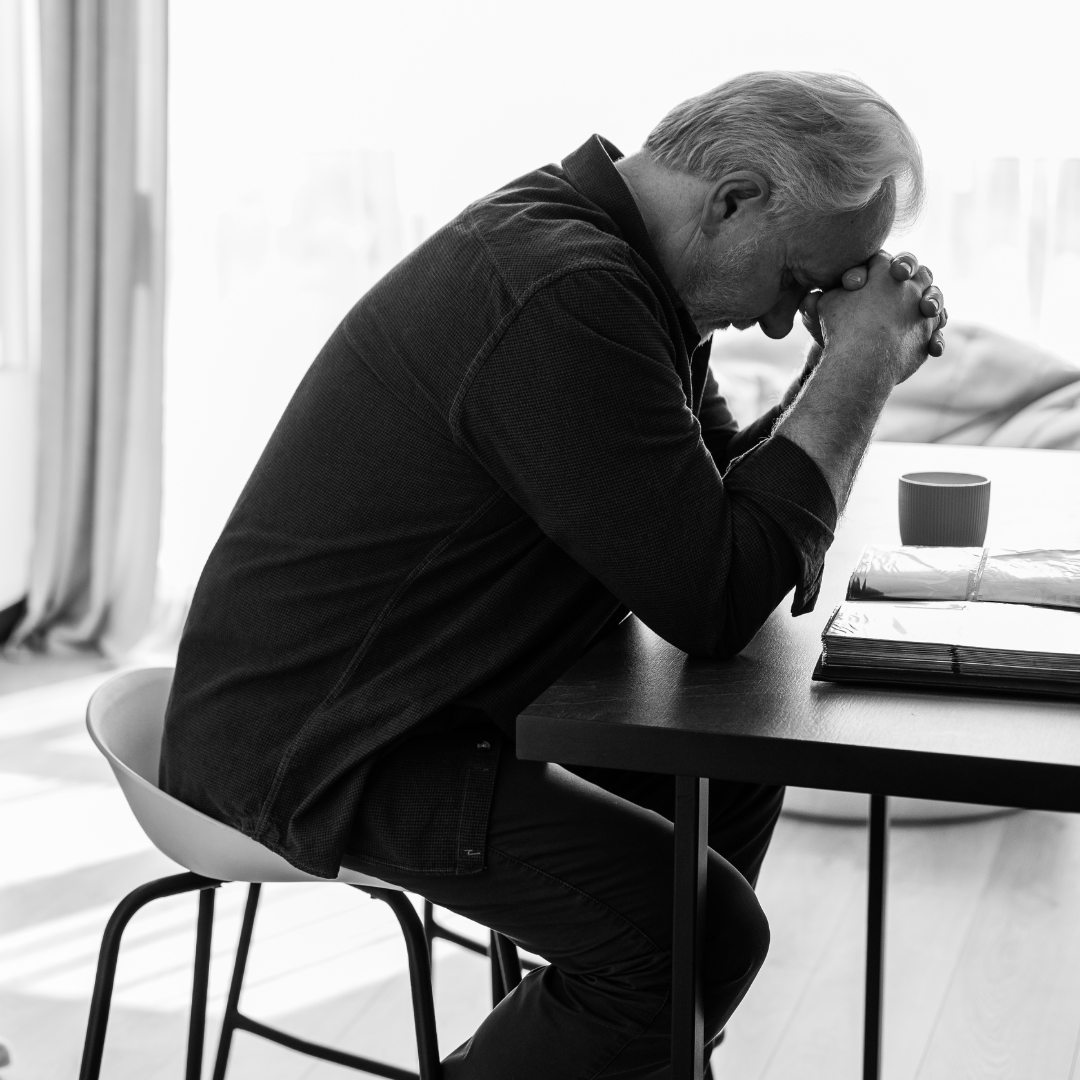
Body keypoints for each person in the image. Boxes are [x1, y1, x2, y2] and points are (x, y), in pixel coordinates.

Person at [160, 71, 945, 1078]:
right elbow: (712, 596)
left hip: (442, 697)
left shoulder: (626, 271)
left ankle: (635, 1046)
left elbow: (720, 537)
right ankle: (635, 1025)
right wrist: (860, 367)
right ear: (737, 198)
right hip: (332, 736)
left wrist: (841, 372)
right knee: (695, 937)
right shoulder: (564, 287)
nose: (790, 321)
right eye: (800, 281)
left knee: (729, 780)